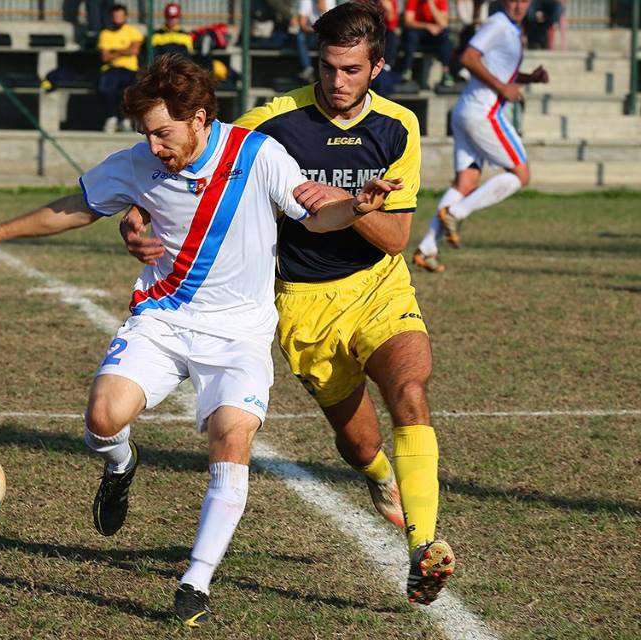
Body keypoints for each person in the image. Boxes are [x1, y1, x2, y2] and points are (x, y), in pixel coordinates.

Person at [0, 54, 397, 626]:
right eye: (147, 135)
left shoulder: (255, 155)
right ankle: (120, 466)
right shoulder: (137, 164)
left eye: (163, 133)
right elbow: (75, 208)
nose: (154, 146)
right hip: (163, 319)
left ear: (200, 118)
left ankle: (196, 580)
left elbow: (314, 213)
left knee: (232, 436)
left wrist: (354, 207)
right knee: (103, 419)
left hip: (239, 335)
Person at [122, 2, 456, 606]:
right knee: (358, 446)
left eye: (352, 69)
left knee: (409, 392)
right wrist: (138, 207)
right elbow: (194, 152)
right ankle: (381, 477)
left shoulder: (398, 128)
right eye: (328, 67)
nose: (337, 82)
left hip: (380, 287)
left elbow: (396, 238)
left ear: (377, 66)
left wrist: (347, 201)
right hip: (304, 302)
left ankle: (424, 548)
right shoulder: (274, 120)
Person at [413, 0, 548, 273]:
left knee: (465, 182)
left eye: (525, 0)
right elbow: (468, 58)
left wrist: (529, 78)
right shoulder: (498, 23)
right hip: (483, 113)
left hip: (468, 110)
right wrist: (502, 88)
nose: (520, 5)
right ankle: (456, 213)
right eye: (514, 0)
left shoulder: (509, 28)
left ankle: (427, 248)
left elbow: (496, 68)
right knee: (521, 175)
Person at [97, 4, 143, 133]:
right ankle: (111, 118)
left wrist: (114, 51)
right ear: (111, 17)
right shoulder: (105, 34)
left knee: (130, 90)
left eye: (120, 16)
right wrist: (125, 50)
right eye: (115, 16)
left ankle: (126, 120)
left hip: (130, 69)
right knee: (104, 87)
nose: (118, 18)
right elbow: (105, 57)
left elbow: (135, 49)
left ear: (125, 16)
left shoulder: (133, 31)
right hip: (111, 69)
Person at [400, 0, 455, 87]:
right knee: (410, 35)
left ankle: (446, 72)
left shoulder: (441, 1)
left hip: (434, 35)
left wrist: (431, 4)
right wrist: (428, 26)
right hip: (418, 33)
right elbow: (408, 22)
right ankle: (407, 70)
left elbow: (444, 24)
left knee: (445, 37)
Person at [294, 0, 327, 82]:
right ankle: (307, 68)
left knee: (326, 36)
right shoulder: (306, 1)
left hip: (327, 33)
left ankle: (325, 68)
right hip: (313, 32)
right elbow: (302, 23)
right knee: (300, 36)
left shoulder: (332, 2)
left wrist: (322, 7)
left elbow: (332, 23)